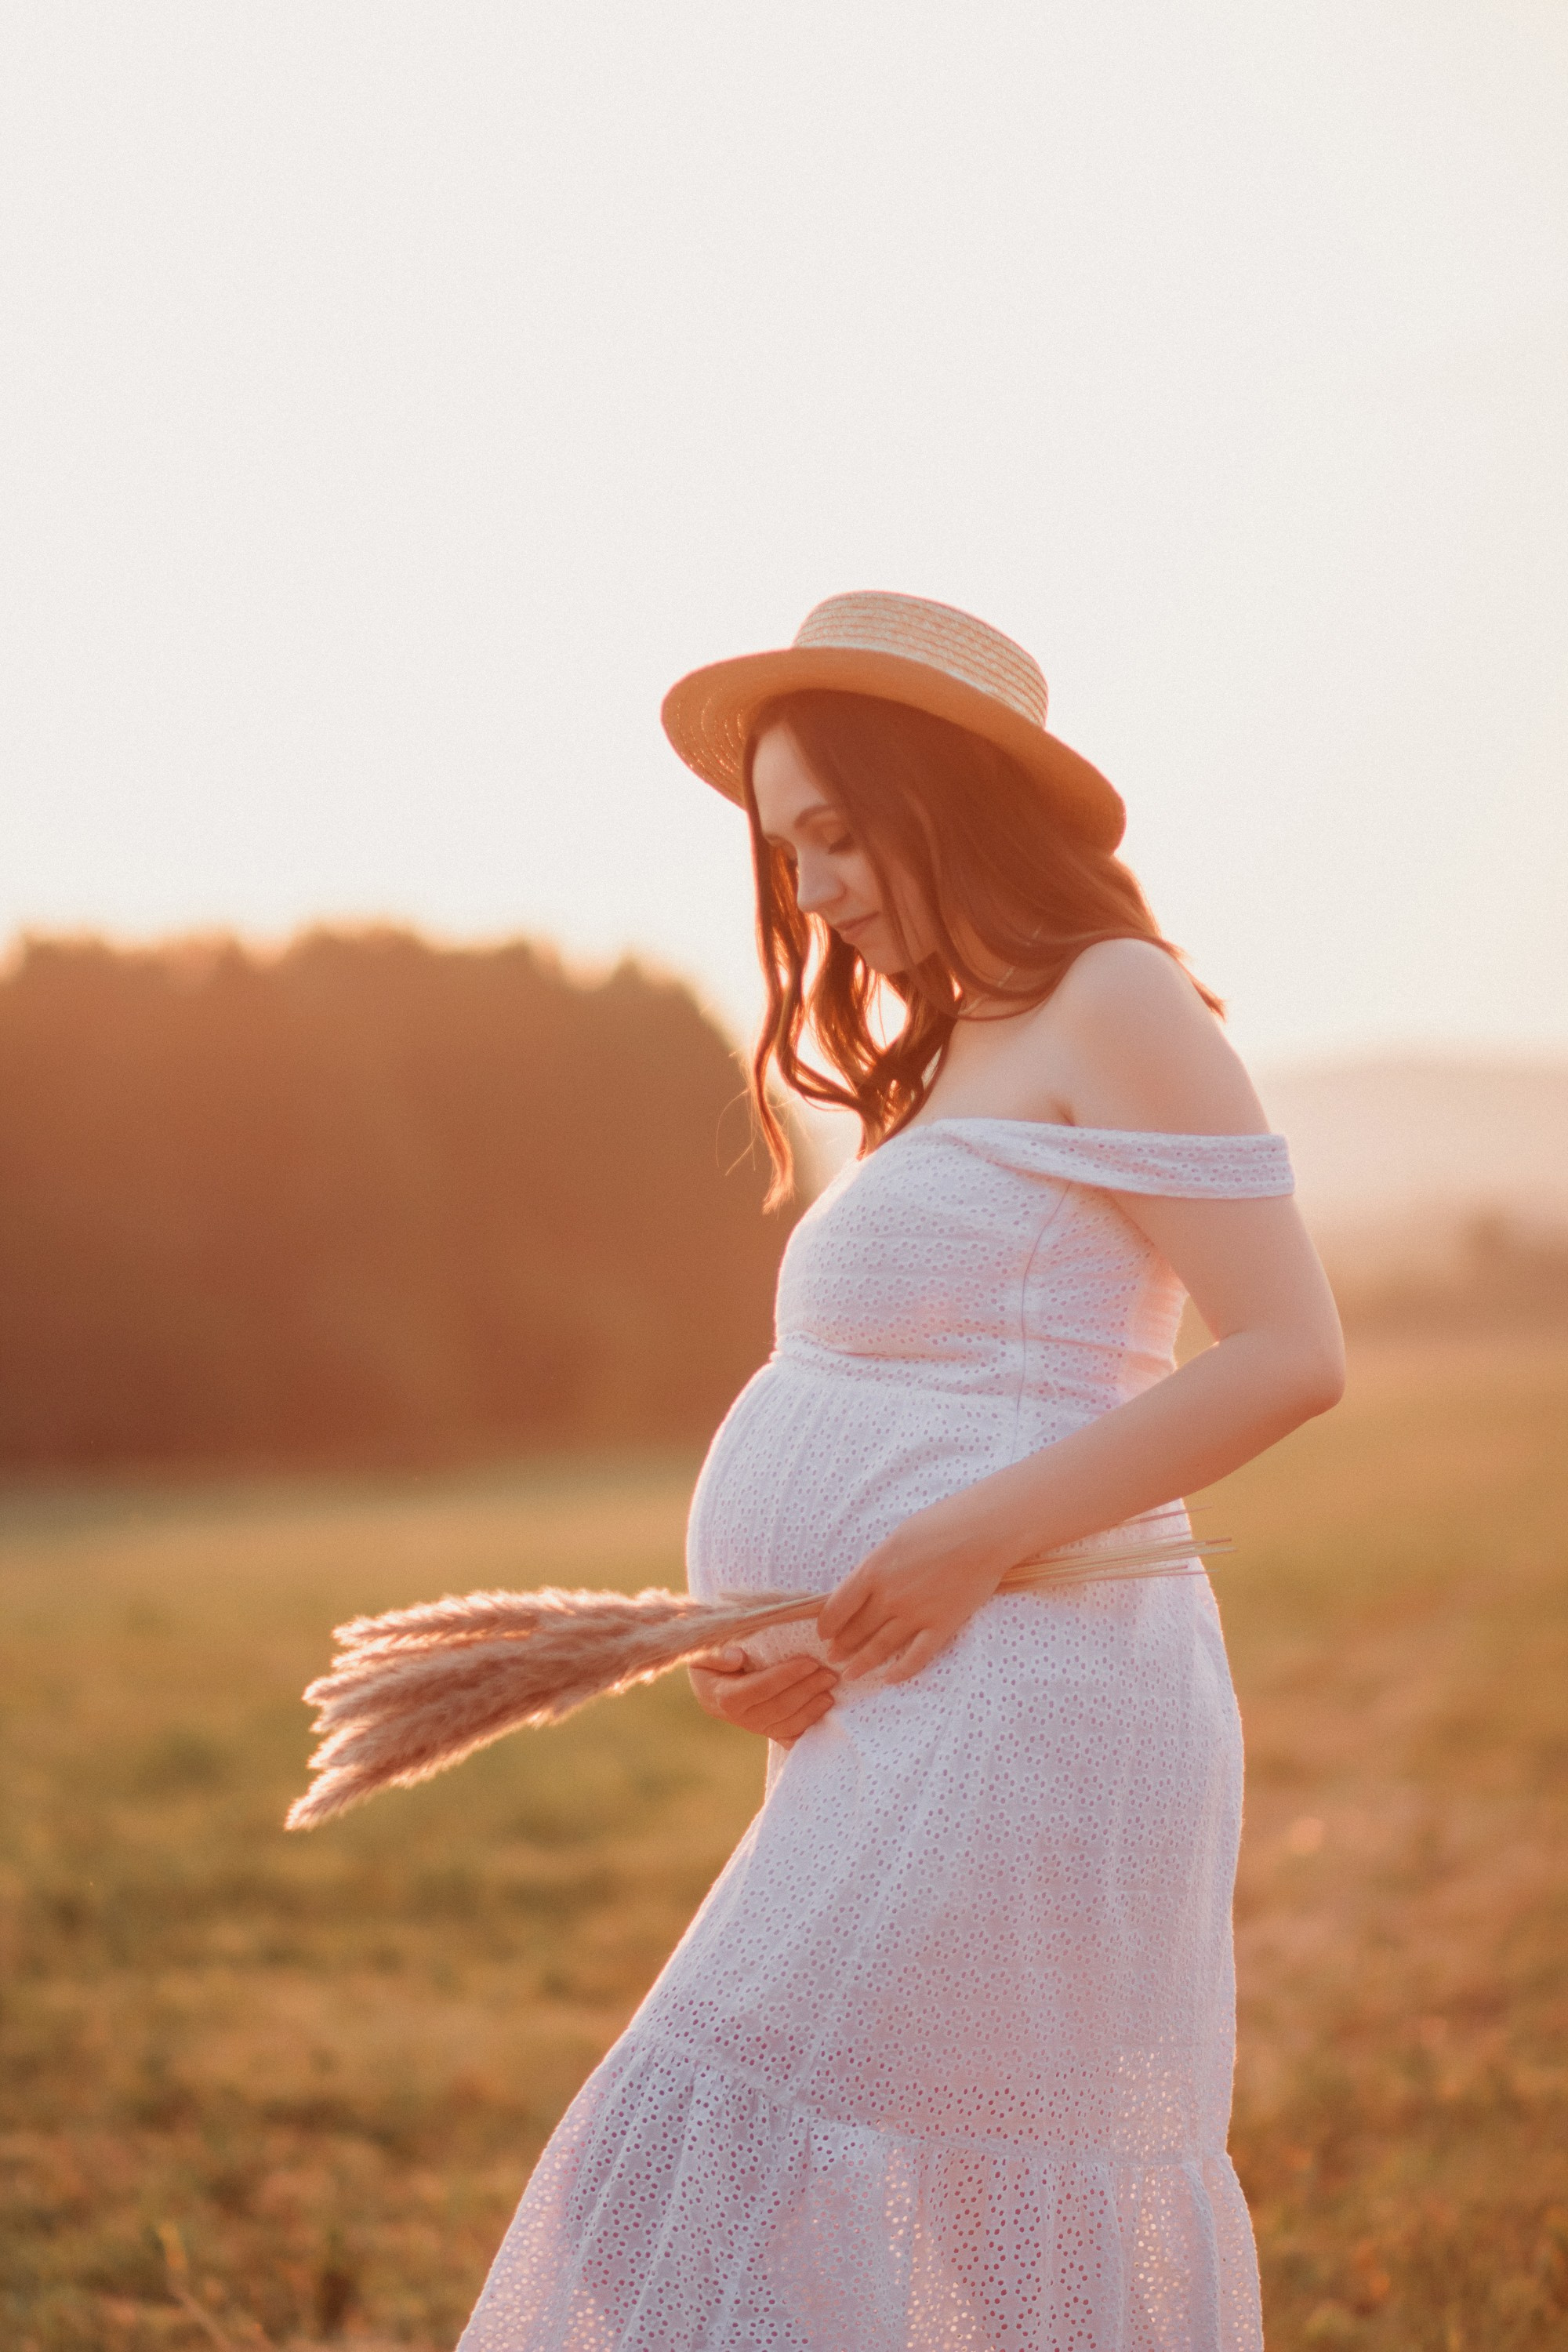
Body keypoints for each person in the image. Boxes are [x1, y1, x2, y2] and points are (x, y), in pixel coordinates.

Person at [457, 592, 1345, 2352]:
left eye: (837, 833)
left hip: (1038, 1696)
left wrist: (949, 1549)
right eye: (786, 853)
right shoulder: (935, 1059)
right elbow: (935, 1387)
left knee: (702, 2156)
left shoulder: (1117, 998)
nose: (815, 891)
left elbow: (1288, 1351)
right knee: (894, 2206)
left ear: (950, 800)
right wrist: (826, 1634)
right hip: (919, 1686)